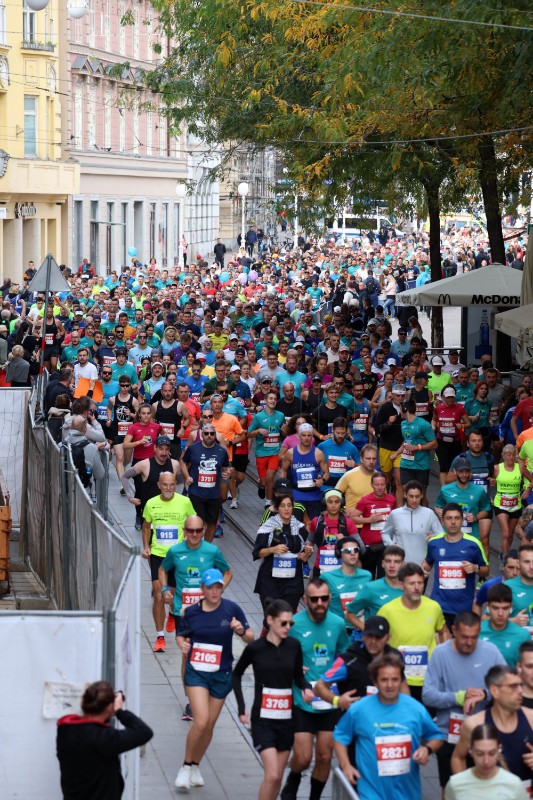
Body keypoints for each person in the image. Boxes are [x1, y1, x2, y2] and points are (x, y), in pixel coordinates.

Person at [174, 568, 254, 791]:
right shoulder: (191, 612)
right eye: (210, 587)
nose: (215, 591)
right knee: (200, 720)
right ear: (202, 589)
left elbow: (251, 637)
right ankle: (185, 767)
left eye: (218, 587)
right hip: (196, 672)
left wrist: (239, 630)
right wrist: (182, 644)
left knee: (209, 725)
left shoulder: (231, 609)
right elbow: (181, 635)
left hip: (221, 674)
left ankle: (196, 765)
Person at [232, 599, 314, 800]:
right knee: (273, 774)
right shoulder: (256, 648)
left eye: (291, 624)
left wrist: (306, 688)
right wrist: (242, 707)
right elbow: (236, 674)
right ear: (270, 620)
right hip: (263, 721)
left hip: (286, 721)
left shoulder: (294, 646)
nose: (288, 628)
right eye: (283, 623)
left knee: (277, 778)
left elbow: (298, 676)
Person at [333, 652, 444, 800]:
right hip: (371, 792)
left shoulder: (415, 708)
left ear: (401, 681)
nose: (390, 685)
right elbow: (340, 736)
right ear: (375, 681)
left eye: (395, 679)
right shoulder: (359, 709)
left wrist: (427, 749)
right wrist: (346, 765)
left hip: (407, 792)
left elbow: (436, 736)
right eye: (384, 680)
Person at [280, 579, 350, 800]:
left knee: (324, 757)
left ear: (330, 598)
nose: (320, 603)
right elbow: (277, 654)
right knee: (302, 757)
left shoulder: (338, 623)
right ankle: (293, 779)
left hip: (329, 700)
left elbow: (344, 655)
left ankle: (314, 797)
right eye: (314, 599)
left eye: (324, 598)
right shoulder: (293, 624)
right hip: (302, 700)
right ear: (305, 599)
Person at [159, 515, 232, 722]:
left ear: (203, 530)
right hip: (184, 612)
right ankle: (191, 700)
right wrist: (165, 589)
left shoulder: (211, 551)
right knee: (188, 655)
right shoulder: (175, 551)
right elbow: (163, 569)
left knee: (207, 653)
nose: (194, 535)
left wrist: (217, 591)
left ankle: (206, 689)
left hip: (209, 612)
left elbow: (227, 573)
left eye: (198, 531)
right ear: (184, 530)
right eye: (190, 531)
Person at [424, 612, 506, 792]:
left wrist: (485, 694)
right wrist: (459, 697)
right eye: (464, 637)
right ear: (454, 630)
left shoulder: (491, 652)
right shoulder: (440, 654)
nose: (469, 642)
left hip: (484, 738)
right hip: (450, 735)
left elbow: (507, 687)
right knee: (452, 791)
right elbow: (428, 695)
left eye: (474, 637)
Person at [56, 681, 153, 800]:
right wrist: (119, 711)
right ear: (109, 708)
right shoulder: (103, 738)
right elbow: (144, 732)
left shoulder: (65, 730)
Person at [450, 665, 533, 790]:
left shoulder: (531, 718)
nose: (520, 691)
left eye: (520, 685)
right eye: (513, 686)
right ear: (494, 691)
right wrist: (465, 791)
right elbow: (458, 757)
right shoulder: (474, 724)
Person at [141, 472, 196, 652]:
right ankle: (160, 636)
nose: (168, 488)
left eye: (172, 484)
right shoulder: (151, 504)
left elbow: (194, 522)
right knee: (159, 595)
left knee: (171, 595)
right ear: (159, 485)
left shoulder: (184, 502)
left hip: (178, 557)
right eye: (165, 485)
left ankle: (172, 613)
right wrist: (146, 547)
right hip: (158, 555)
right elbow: (146, 526)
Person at [379, 562, 448, 702]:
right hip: (398, 680)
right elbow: (375, 642)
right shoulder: (387, 610)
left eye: (420, 583)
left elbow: (443, 631)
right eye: (411, 584)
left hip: (428, 680)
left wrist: (444, 657)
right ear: (401, 585)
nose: (417, 588)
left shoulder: (433, 607)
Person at [314, 615, 408, 706]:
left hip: (388, 718)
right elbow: (319, 687)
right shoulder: (347, 660)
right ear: (363, 635)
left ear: (388, 638)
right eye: (369, 636)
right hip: (358, 719)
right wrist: (337, 701)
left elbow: (403, 686)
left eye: (378, 637)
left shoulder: (395, 656)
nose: (373, 641)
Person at [423, 503, 489, 628]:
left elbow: (485, 570)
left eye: (457, 518)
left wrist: (475, 568)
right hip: (439, 607)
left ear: (462, 520)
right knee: (441, 646)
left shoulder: (473, 544)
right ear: (442, 521)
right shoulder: (433, 543)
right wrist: (422, 571)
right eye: (449, 518)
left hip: (464, 609)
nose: (453, 522)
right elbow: (426, 565)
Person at [253, 495, 313, 612]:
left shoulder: (300, 528)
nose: (286, 509)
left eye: (289, 506)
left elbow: (303, 556)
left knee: (287, 619)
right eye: (282, 506)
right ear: (277, 508)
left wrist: (306, 554)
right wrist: (272, 549)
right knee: (272, 620)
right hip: (269, 581)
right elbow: (257, 552)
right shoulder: (268, 527)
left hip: (293, 581)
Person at [445, 723, 529, 800]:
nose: (486, 761)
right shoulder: (455, 784)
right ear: (470, 750)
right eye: (480, 754)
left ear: (499, 750)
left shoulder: (514, 784)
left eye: (491, 753)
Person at [180, 423, 231, 542]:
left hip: (213, 494)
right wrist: (187, 476)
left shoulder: (221, 451)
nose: (209, 436)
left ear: (215, 436)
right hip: (196, 492)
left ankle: (206, 546)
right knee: (198, 522)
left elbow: (226, 467)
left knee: (212, 523)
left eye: (212, 434)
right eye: (206, 433)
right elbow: (183, 462)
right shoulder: (193, 448)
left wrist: (227, 474)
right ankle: (195, 545)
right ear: (202, 435)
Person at [435, 459, 492, 560]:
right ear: (455, 472)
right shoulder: (445, 489)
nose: (464, 475)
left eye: (466, 471)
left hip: (471, 537)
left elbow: (486, 509)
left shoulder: (479, 490)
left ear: (470, 472)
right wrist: (438, 511)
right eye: (461, 471)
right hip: (450, 536)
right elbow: (438, 505)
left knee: (468, 569)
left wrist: (475, 517)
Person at [345, 545, 404, 632]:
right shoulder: (370, 588)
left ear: (402, 564)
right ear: (383, 564)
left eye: (396, 562)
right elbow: (349, 614)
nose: (392, 565)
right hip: (377, 643)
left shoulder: (410, 589)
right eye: (388, 561)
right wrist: (368, 631)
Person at [381, 480, 441, 565]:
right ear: (405, 495)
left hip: (423, 565)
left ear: (422, 496)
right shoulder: (395, 514)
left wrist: (434, 537)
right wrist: (391, 545)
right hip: (401, 565)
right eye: (411, 496)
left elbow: (441, 534)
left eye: (417, 496)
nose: (414, 500)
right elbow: (385, 533)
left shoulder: (429, 513)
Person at [306, 489, 363, 577]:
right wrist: (308, 549)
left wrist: (344, 541)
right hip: (320, 569)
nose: (333, 505)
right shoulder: (316, 522)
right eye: (330, 502)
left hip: (343, 570)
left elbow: (361, 548)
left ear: (341, 503)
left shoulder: (348, 522)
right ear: (325, 503)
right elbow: (310, 541)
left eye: (337, 502)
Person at [351, 473, 397, 579]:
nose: (380, 487)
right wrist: (368, 520)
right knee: (368, 576)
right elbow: (353, 518)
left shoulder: (391, 500)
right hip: (369, 545)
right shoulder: (365, 500)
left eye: (382, 484)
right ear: (372, 485)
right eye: (377, 485)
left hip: (385, 544)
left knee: (383, 576)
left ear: (386, 484)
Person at [280, 423, 329, 521]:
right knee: (296, 524)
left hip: (314, 495)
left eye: (309, 435)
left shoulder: (318, 453)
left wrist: (322, 480)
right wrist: (283, 489)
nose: (306, 438)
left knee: (314, 525)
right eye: (303, 435)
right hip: (297, 494)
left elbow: (327, 473)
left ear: (312, 437)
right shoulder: (291, 453)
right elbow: (283, 470)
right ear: (299, 436)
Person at [321, 536, 372, 629]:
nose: (352, 553)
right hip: (338, 630)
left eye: (356, 550)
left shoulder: (367, 576)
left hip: (361, 630)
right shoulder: (327, 577)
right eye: (348, 550)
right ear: (339, 553)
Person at [392, 397, 437, 498]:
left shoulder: (423, 424)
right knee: (407, 493)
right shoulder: (403, 424)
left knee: (420, 496)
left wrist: (417, 447)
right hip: (406, 464)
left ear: (405, 410)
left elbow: (434, 443)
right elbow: (406, 440)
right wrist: (396, 453)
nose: (400, 412)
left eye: (400, 409)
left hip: (421, 465)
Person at [248, 389, 286, 507]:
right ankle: (261, 485)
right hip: (261, 452)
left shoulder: (281, 415)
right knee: (264, 481)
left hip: (275, 451)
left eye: (275, 399)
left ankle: (269, 502)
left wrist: (284, 430)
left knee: (271, 477)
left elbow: (284, 432)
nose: (273, 401)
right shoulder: (258, 417)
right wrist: (258, 431)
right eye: (270, 398)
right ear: (265, 401)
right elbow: (248, 434)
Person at [479, 583, 530, 667]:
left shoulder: (523, 636)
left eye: (505, 608)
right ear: (488, 607)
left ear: (511, 607)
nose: (500, 613)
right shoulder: (476, 632)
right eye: (495, 608)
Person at [493, 444, 528, 555]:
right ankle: (505, 560)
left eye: (513, 455)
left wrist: (527, 490)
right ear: (503, 456)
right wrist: (491, 482)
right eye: (508, 455)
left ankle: (504, 554)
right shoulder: (497, 468)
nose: (511, 457)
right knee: (506, 533)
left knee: (511, 534)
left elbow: (532, 480)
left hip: (515, 505)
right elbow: (491, 480)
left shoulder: (520, 467)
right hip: (500, 504)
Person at [433, 386, 471, 485]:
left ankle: (453, 487)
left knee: (454, 465)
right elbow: (434, 419)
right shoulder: (438, 408)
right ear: (443, 397)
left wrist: (461, 425)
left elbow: (468, 424)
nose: (450, 399)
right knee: (443, 466)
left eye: (452, 397)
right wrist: (433, 426)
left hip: (455, 442)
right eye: (448, 397)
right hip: (441, 441)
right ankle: (443, 490)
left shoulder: (460, 408)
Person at [107, 376, 139, 483]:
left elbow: (140, 416)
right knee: (119, 458)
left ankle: (123, 470)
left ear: (129, 386)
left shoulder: (133, 401)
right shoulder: (113, 399)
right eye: (122, 386)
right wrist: (109, 419)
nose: (124, 388)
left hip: (129, 433)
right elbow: (109, 408)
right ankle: (123, 483)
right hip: (117, 431)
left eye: (127, 386)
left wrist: (131, 414)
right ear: (119, 386)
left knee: (127, 459)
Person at [317, 417, 360, 491]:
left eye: (343, 433)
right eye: (337, 433)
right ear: (332, 430)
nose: (340, 436)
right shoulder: (322, 446)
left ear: (346, 431)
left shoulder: (352, 448)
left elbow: (362, 467)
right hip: (326, 486)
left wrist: (354, 465)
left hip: (344, 487)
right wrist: (318, 475)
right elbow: (314, 463)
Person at [336, 443, 378, 513]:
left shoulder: (379, 477)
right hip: (353, 522)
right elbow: (334, 495)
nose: (371, 462)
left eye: (374, 459)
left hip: (372, 522)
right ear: (361, 459)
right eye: (368, 458)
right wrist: (342, 510)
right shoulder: (349, 475)